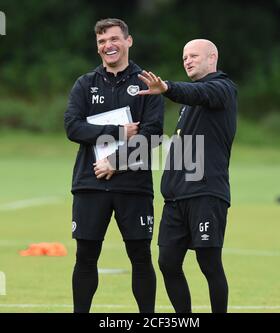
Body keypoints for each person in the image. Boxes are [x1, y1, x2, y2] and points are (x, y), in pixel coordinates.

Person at [64, 18, 164, 313]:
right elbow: (72, 127)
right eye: (102, 41)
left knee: (140, 256)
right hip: (89, 183)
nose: (108, 45)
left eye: (114, 39)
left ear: (128, 41)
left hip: (133, 186)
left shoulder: (146, 83)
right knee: (85, 256)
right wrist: (118, 132)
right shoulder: (85, 83)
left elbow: (153, 135)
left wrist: (116, 163)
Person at [138, 39, 237, 313]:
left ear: (212, 58)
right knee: (168, 262)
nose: (188, 61)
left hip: (206, 192)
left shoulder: (223, 89)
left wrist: (167, 87)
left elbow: (199, 94)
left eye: (194, 56)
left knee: (209, 262)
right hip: (176, 197)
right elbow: (192, 96)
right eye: (184, 57)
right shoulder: (189, 100)